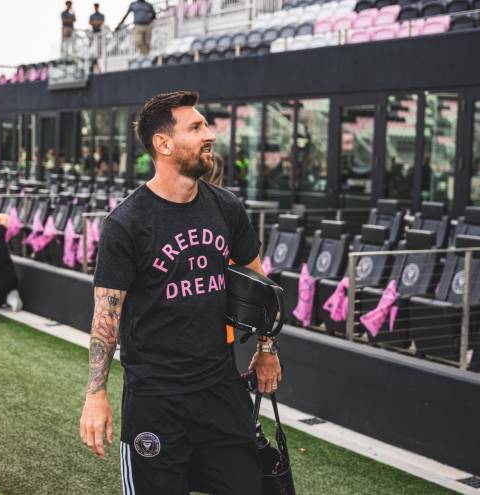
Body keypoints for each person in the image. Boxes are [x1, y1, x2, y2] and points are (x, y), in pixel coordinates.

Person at [79, 91, 281, 494]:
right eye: (196, 127)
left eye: (206, 125)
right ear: (164, 144)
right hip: (155, 399)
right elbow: (106, 317)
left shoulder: (226, 207)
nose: (210, 134)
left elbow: (260, 287)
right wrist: (95, 394)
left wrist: (266, 349)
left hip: (220, 389)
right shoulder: (126, 223)